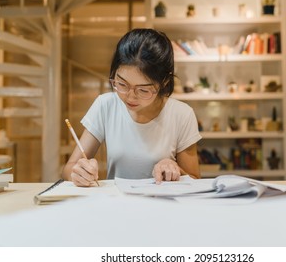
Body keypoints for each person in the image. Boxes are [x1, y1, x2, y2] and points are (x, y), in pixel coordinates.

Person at [62, 28, 202, 187]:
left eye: (143, 90)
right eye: (121, 84)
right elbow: (68, 169)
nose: (130, 96)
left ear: (164, 83)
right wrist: (78, 172)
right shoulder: (105, 105)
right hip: (117, 205)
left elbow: (195, 180)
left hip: (163, 206)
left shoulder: (181, 114)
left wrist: (175, 169)